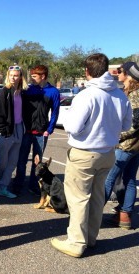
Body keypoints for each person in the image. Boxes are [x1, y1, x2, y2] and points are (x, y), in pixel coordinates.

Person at [50, 53, 132, 258]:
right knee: (96, 197)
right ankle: (91, 237)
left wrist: (68, 118)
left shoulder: (86, 95)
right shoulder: (121, 95)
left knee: (78, 199)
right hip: (108, 153)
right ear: (105, 70)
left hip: (84, 153)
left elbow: (73, 127)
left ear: (87, 71)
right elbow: (127, 126)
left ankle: (76, 242)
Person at [9, 65, 60, 196]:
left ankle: (34, 185)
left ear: (42, 76)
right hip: (26, 131)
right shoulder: (28, 89)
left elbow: (55, 112)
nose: (31, 78)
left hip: (42, 133)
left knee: (37, 164)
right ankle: (18, 184)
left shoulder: (53, 92)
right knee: (21, 160)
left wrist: (49, 129)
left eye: (34, 76)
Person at [104, 61, 139, 229]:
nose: (118, 73)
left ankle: (92, 215)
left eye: (120, 71)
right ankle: (125, 216)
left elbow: (135, 125)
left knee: (108, 179)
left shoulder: (135, 95)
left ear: (128, 75)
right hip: (136, 147)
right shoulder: (130, 92)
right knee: (130, 179)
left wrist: (116, 137)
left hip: (126, 146)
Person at [0, 65, 28, 198]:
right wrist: (2, 130)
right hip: (6, 130)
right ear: (8, 76)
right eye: (11, 75)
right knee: (3, 161)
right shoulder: (4, 91)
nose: (13, 78)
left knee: (13, 161)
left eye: (16, 75)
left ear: (21, 77)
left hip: (19, 128)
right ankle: (2, 182)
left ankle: (2, 186)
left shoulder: (22, 92)